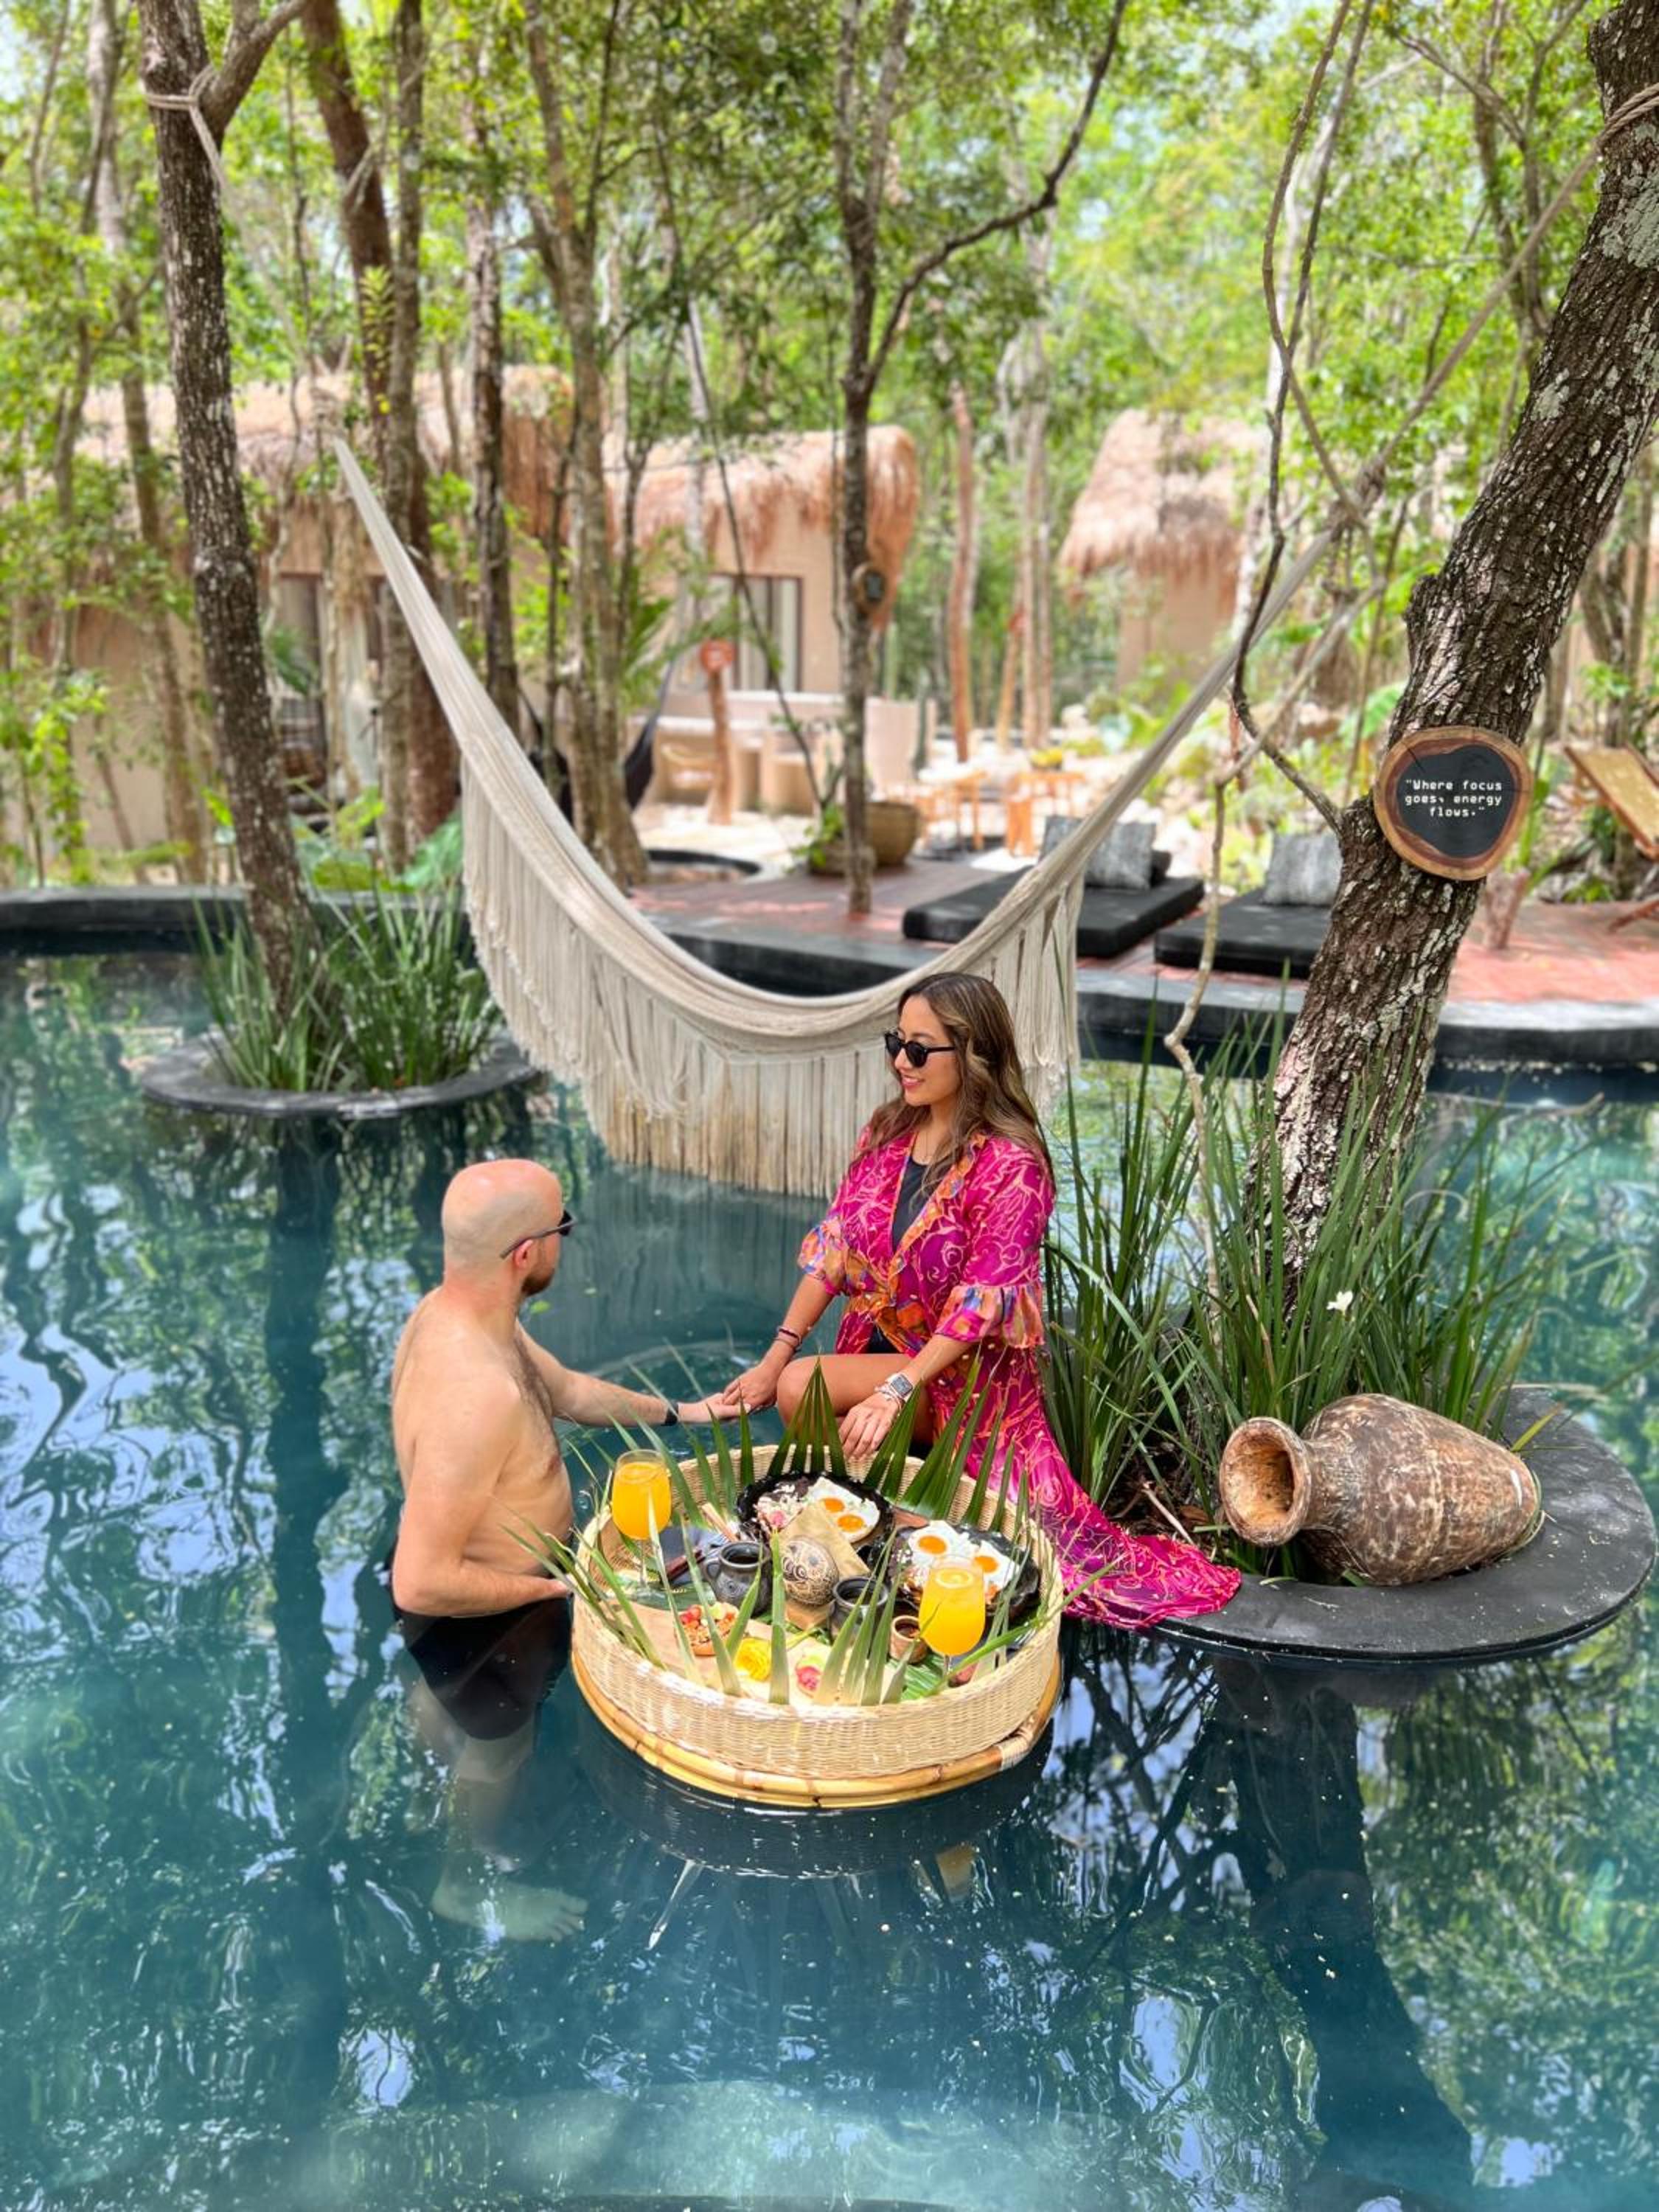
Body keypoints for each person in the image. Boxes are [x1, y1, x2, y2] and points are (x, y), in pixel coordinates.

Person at [716, 973, 1239, 1629]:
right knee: (792, 1381)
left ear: (973, 1054)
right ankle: (874, 1522)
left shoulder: (1012, 1166)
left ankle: (882, 1528)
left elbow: (980, 1308)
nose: (901, 1063)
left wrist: (896, 1389)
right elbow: (834, 1250)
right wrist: (773, 1356)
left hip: (962, 1378)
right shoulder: (886, 1132)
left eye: (919, 1049)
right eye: (897, 1044)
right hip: (878, 1352)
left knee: (805, 1388)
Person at [389, 1156, 724, 1938]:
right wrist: (557, 1590)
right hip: (487, 1609)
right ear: (526, 1254)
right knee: (500, 1752)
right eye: (561, 1228)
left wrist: (684, 1413)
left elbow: (566, 1391)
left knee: (443, 1701)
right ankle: (461, 1885)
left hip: (466, 1612)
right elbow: (421, 1581)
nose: (564, 1242)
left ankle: (425, 1777)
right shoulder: (479, 1393)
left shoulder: (455, 1314)